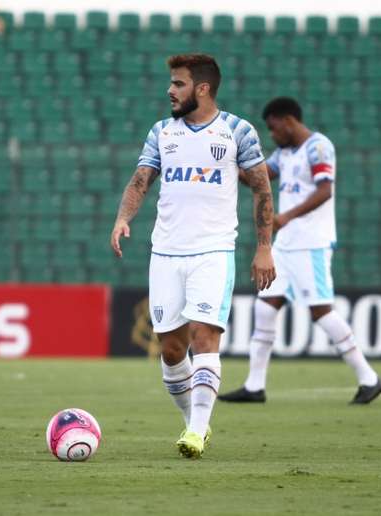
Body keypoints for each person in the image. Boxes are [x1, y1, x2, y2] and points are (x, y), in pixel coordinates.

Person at [110, 54, 276, 459]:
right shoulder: (162, 132)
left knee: (205, 338)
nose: (170, 90)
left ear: (202, 88)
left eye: (178, 84)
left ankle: (197, 433)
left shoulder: (238, 131)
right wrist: (122, 218)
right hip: (165, 252)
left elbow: (261, 189)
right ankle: (193, 422)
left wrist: (264, 247)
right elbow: (141, 179)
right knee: (170, 350)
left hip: (213, 250)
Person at [218, 97, 381, 405]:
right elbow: (256, 178)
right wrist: (229, 160)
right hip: (286, 245)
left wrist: (286, 216)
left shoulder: (318, 147)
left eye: (273, 127)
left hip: (312, 243)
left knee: (320, 310)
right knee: (265, 307)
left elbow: (326, 190)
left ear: (288, 120)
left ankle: (369, 378)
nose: (272, 134)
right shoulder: (285, 153)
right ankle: (255, 386)